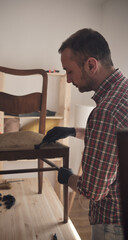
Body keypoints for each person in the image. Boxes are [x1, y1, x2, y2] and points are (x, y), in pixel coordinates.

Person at [43, 28, 128, 240]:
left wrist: (68, 177)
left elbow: (93, 190)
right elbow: (114, 142)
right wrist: (74, 131)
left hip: (113, 224)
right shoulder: (123, 91)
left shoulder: (105, 112)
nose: (69, 80)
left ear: (91, 65)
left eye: (69, 71)